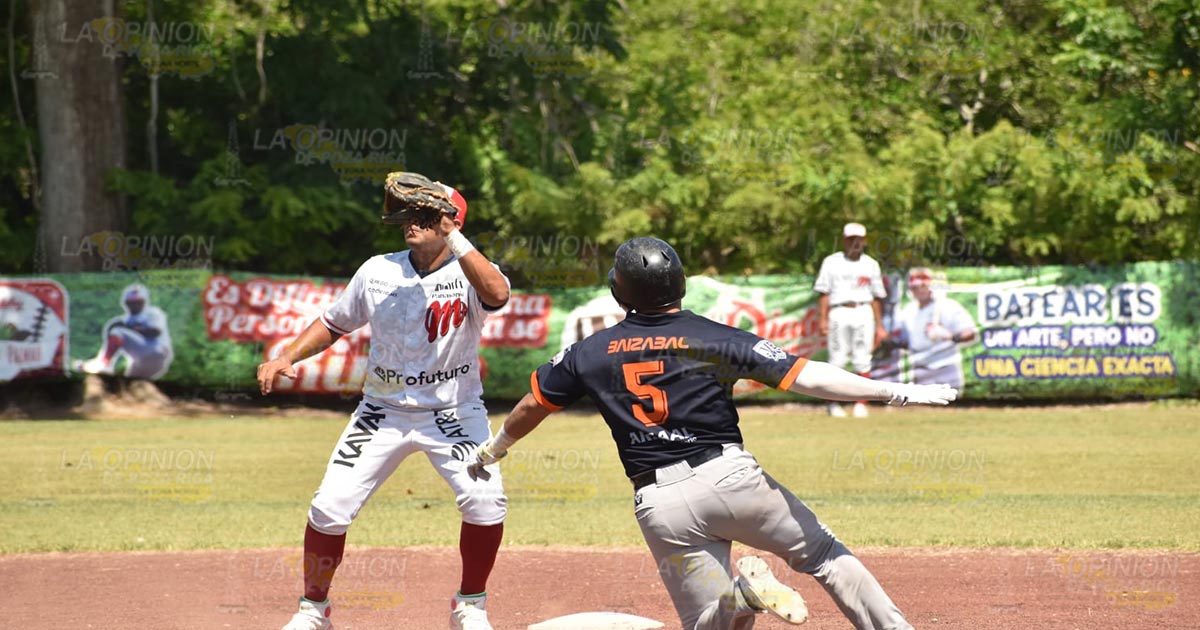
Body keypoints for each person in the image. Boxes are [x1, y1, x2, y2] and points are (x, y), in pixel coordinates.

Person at [468, 237, 957, 630]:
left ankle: (741, 598)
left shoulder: (590, 351)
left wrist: (496, 447)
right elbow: (806, 376)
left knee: (708, 625)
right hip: (732, 481)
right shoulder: (713, 337)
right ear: (680, 284)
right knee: (826, 556)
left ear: (620, 292)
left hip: (661, 506)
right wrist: (892, 391)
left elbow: (534, 403)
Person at [257, 177, 510, 630]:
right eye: (411, 213)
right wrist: (287, 355)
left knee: (485, 501)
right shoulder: (377, 269)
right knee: (328, 509)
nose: (412, 221)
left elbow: (498, 294)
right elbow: (335, 323)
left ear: (450, 222)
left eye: (425, 214)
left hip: (453, 413)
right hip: (383, 411)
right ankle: (314, 610)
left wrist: (453, 234)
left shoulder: (469, 270)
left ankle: (470, 605)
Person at [813, 222, 887, 417]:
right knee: (837, 360)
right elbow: (824, 293)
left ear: (864, 241)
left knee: (863, 359)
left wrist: (880, 326)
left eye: (858, 239)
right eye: (850, 239)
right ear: (844, 240)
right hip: (839, 311)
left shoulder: (870, 264)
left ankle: (861, 403)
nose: (855, 242)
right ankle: (833, 403)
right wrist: (822, 320)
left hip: (863, 310)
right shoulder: (831, 262)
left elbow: (877, 296)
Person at [891, 267, 978, 389]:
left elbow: (971, 333)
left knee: (949, 405)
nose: (920, 291)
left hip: (946, 367)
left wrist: (950, 336)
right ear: (911, 289)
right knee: (920, 407)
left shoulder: (948, 306)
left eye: (923, 286)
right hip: (920, 368)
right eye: (916, 287)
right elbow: (902, 340)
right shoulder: (908, 311)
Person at [74, 283, 173, 379]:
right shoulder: (127, 319)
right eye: (132, 302)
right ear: (126, 303)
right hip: (143, 361)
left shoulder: (152, 312)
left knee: (118, 331)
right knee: (130, 384)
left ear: (144, 302)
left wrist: (127, 328)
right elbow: (116, 337)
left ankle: (103, 363)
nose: (135, 305)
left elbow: (155, 331)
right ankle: (103, 370)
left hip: (157, 352)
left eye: (139, 302)